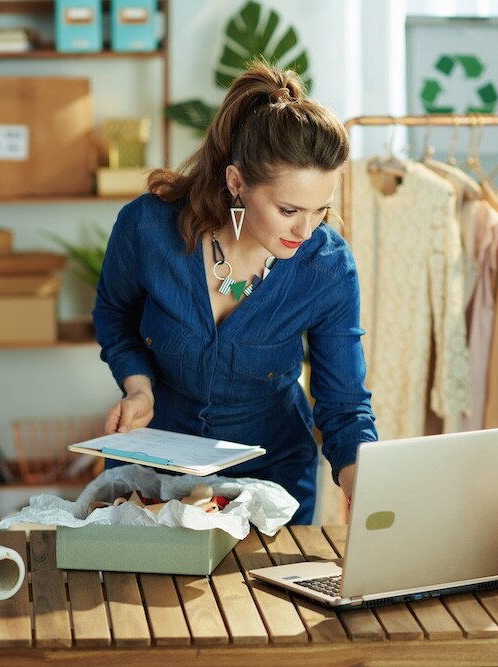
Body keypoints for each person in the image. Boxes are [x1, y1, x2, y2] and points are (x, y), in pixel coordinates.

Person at [92, 61, 377, 524]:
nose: (306, 230)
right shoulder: (148, 229)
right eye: (288, 209)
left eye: (321, 209)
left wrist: (362, 480)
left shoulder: (326, 266)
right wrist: (138, 387)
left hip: (272, 482)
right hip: (152, 472)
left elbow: (343, 403)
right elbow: (113, 314)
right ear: (236, 182)